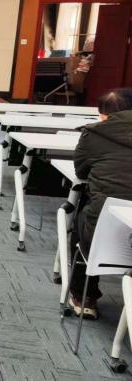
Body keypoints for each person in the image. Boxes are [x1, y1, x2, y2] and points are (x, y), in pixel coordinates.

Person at [68, 88, 132, 320]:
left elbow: (81, 171)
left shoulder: (94, 133)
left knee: (82, 216)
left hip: (105, 234)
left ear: (104, 115)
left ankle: (84, 297)